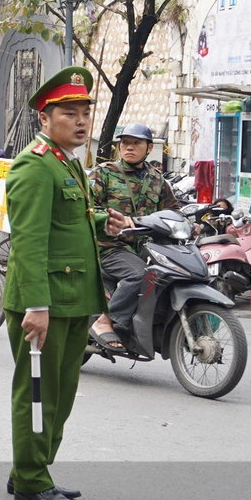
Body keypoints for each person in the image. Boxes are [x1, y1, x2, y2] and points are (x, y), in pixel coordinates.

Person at [3, 66, 129, 500]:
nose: (80, 121)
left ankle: (30, 471)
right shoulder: (34, 167)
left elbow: (65, 222)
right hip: (46, 303)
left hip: (74, 299)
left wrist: (102, 220)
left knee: (62, 392)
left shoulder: (65, 162)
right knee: (39, 392)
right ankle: (33, 480)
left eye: (84, 113)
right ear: (45, 118)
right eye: (69, 113)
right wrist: (37, 305)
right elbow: (30, 240)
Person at [88, 121, 178, 353]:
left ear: (149, 147)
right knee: (140, 275)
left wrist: (191, 224)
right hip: (108, 247)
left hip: (145, 249)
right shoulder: (105, 172)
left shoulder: (157, 179)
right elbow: (88, 208)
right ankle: (106, 321)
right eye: (125, 143)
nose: (129, 147)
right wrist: (111, 220)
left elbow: (173, 211)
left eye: (136, 143)